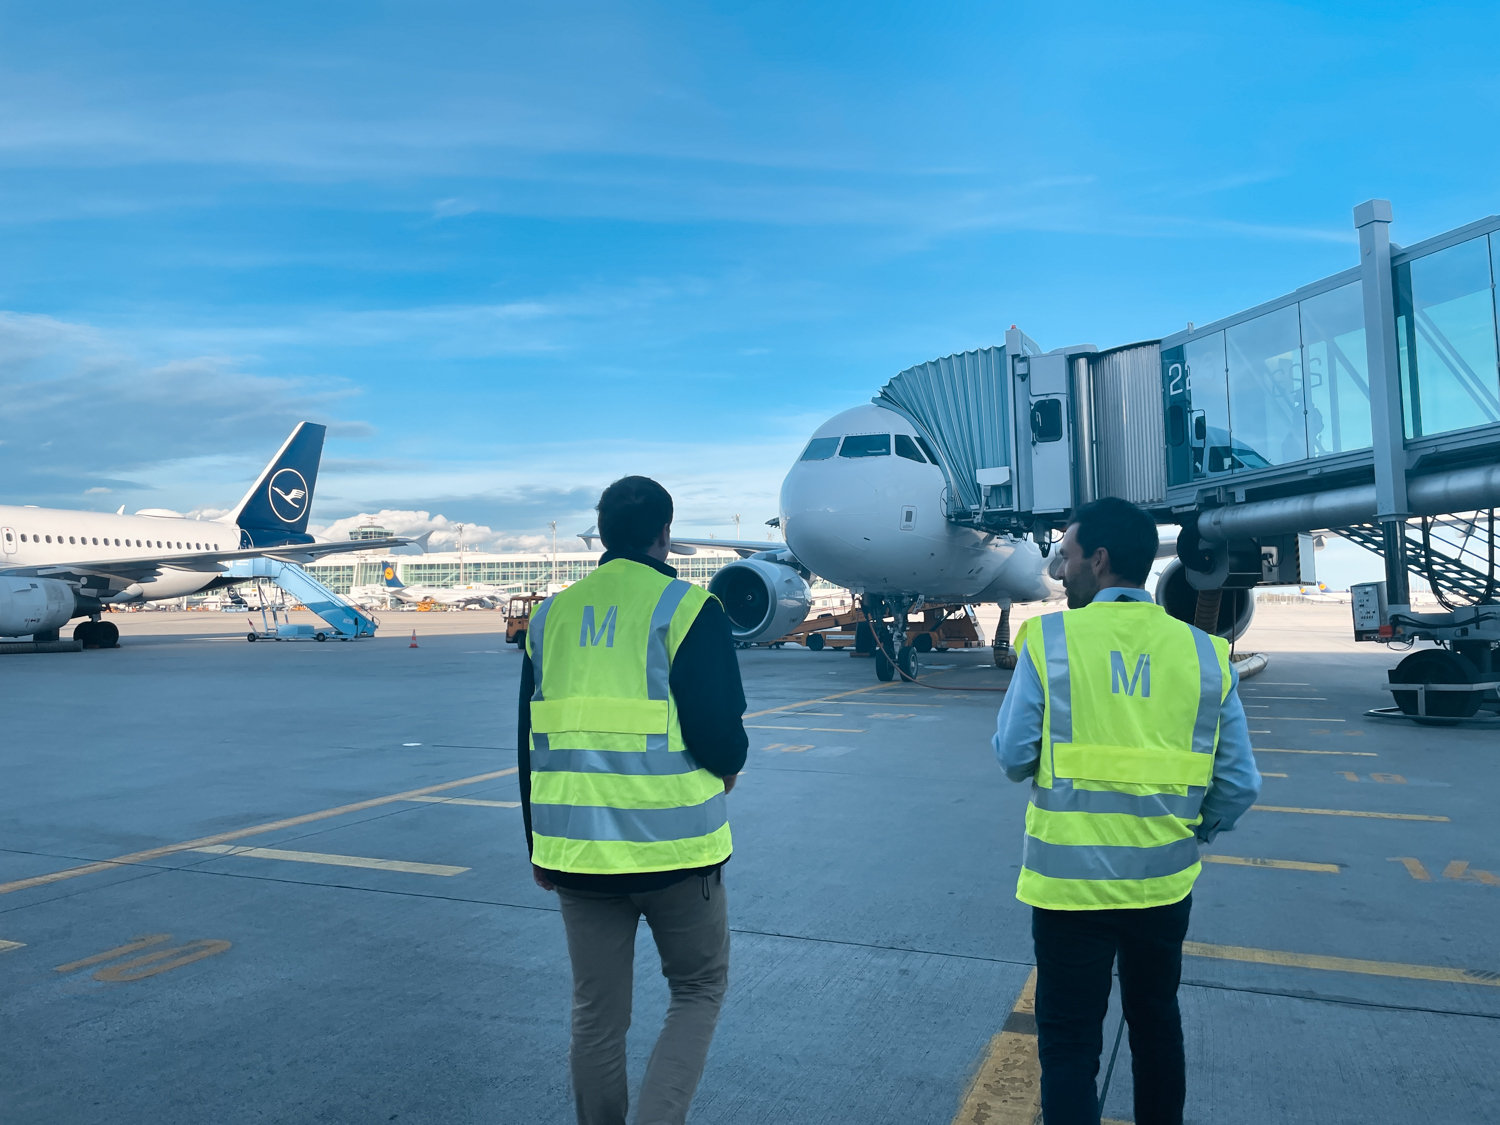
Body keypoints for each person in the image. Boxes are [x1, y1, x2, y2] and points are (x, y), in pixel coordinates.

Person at [991, 497, 1260, 1125]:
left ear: (1100, 560)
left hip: (1069, 886)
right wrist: (1194, 828)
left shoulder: (1049, 639)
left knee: (1069, 1043)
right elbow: (1240, 784)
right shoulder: (1205, 653)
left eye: (1068, 554)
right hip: (1162, 884)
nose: (1060, 567)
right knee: (1157, 1028)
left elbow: (1012, 756)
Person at [517, 475, 748, 1125]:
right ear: (664, 533)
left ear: (602, 532)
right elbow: (721, 737)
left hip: (578, 854)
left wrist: (538, 842)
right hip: (677, 852)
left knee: (597, 1014)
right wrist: (726, 769)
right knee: (698, 989)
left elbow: (527, 739)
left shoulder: (549, 616)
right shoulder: (688, 608)